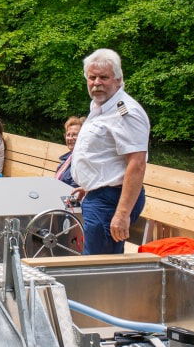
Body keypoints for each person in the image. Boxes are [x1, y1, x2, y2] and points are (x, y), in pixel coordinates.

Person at [70, 49, 149, 255]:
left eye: (104, 77)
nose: (97, 83)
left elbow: (137, 164)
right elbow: (104, 156)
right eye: (92, 77)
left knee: (98, 265)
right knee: (96, 261)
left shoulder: (126, 112)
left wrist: (122, 214)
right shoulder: (100, 106)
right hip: (98, 195)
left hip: (111, 200)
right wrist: (89, 186)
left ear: (118, 79)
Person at [54, 117, 84, 187]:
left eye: (74, 135)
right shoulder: (66, 159)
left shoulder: (82, 161)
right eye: (68, 135)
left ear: (83, 136)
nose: (70, 138)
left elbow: (74, 192)